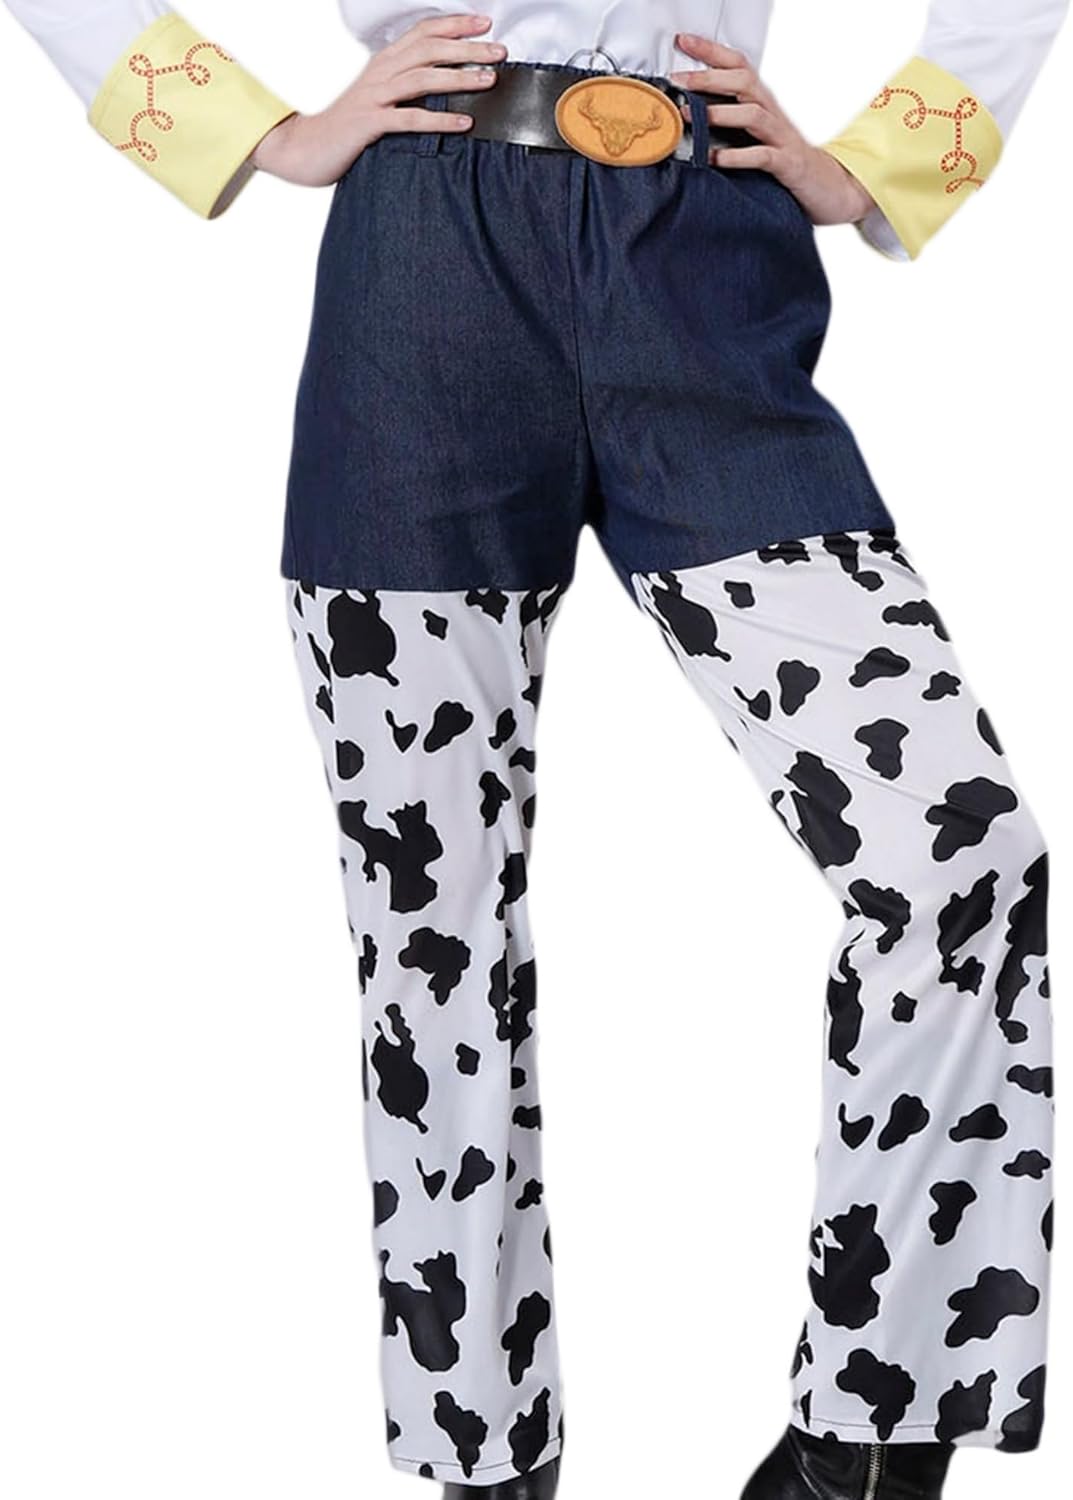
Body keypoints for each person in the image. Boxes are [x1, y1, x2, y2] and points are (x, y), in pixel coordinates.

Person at [2, 3, 1065, 1497]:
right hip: (427, 270)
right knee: (430, 926)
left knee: (959, 855)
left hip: (710, 258)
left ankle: (869, 1443)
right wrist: (250, 133)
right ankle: (480, 1454)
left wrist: (887, 163)